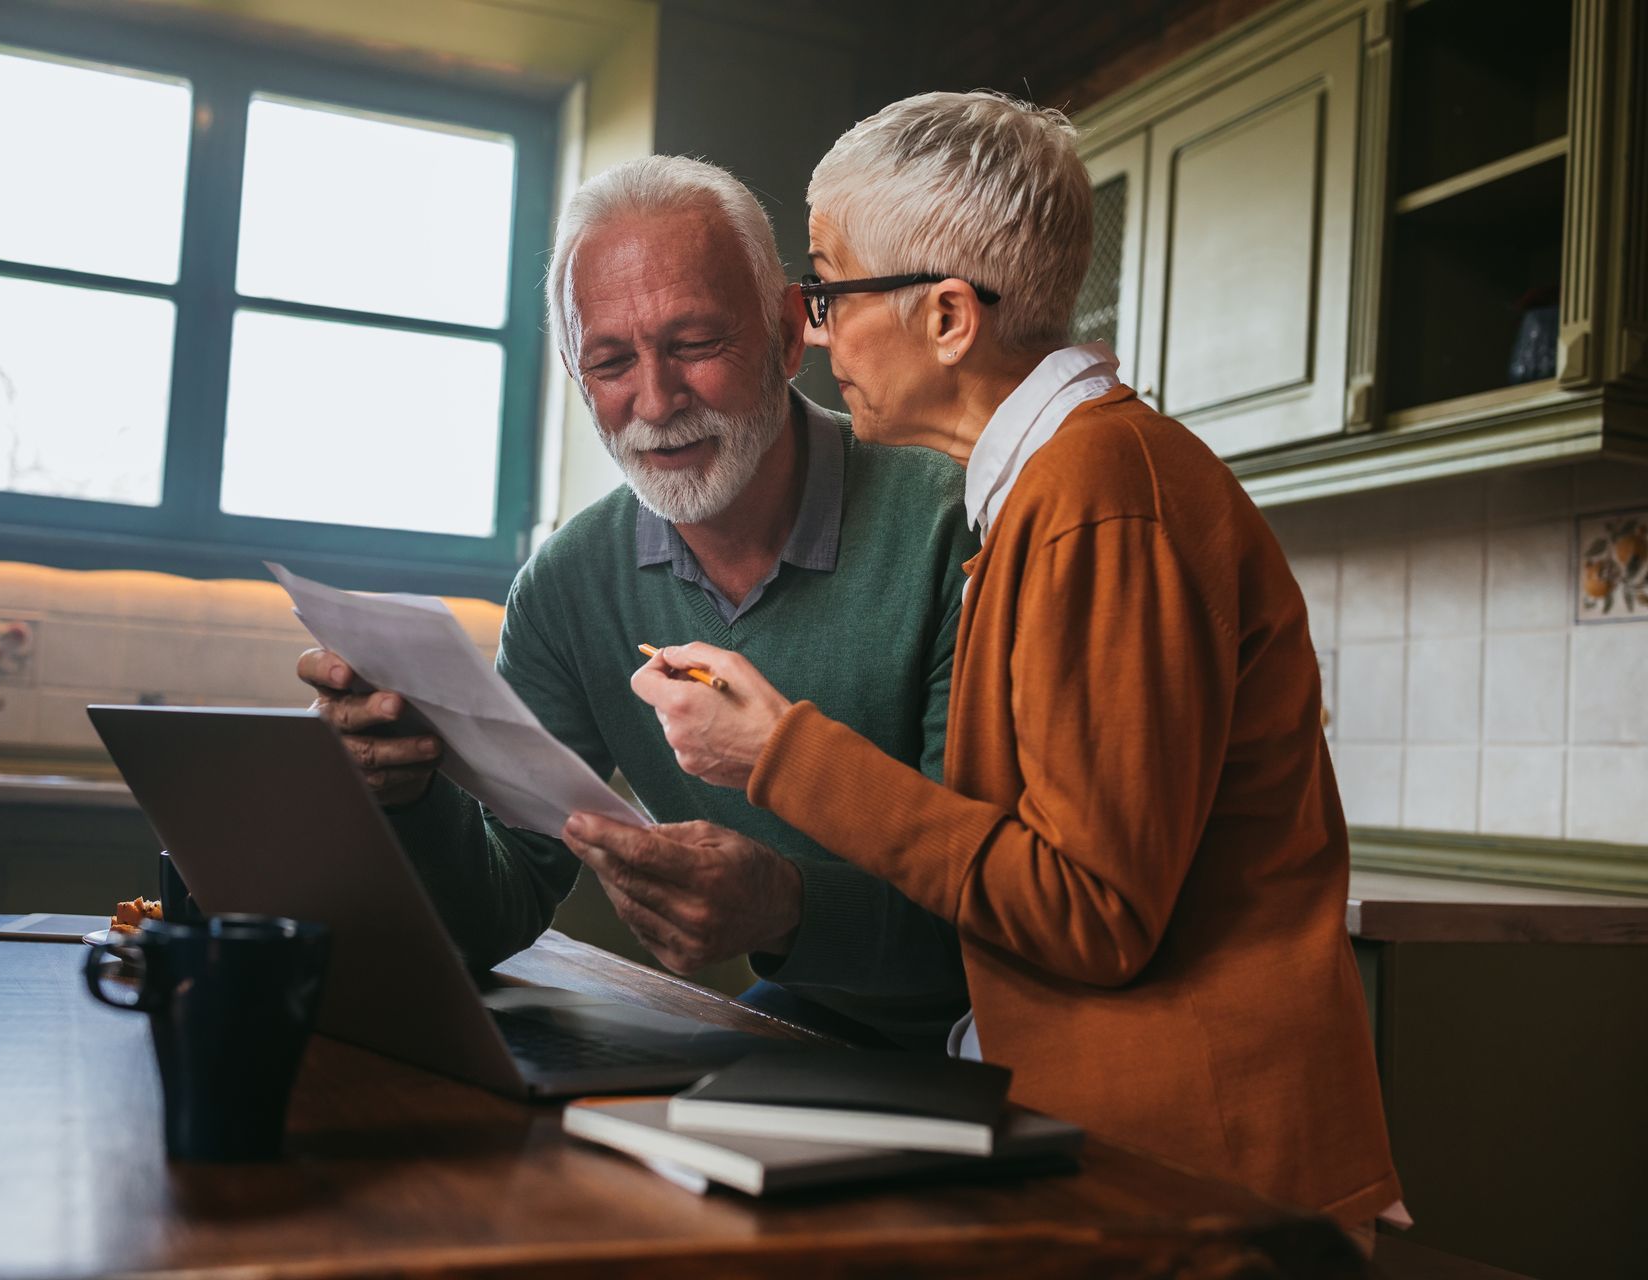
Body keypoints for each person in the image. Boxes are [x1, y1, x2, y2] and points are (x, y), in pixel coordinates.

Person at [622, 94, 1404, 1226]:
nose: (823, 330)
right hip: (1125, 1150)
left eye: (833, 288)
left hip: (1196, 1190)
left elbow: (1090, 911)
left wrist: (780, 753)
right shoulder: (1052, 490)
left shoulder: (1101, 495)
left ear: (947, 316)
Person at [298, 156, 978, 1049]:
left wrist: (784, 907)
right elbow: (494, 909)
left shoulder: (952, 529)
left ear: (784, 334)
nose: (654, 403)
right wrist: (407, 792)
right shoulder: (567, 585)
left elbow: (995, 906)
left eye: (695, 344)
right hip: (817, 1018)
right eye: (611, 361)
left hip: (1014, 1029)